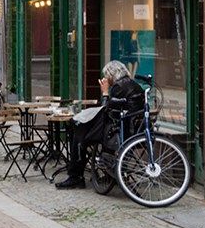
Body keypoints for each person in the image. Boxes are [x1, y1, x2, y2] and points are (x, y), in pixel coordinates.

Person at [55, 60, 147, 189]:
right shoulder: (134, 85)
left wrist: (104, 92)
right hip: (133, 129)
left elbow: (106, 109)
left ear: (111, 75)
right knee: (81, 132)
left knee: (78, 135)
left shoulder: (119, 86)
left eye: (106, 76)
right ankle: (101, 173)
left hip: (118, 132)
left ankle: (75, 176)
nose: (105, 79)